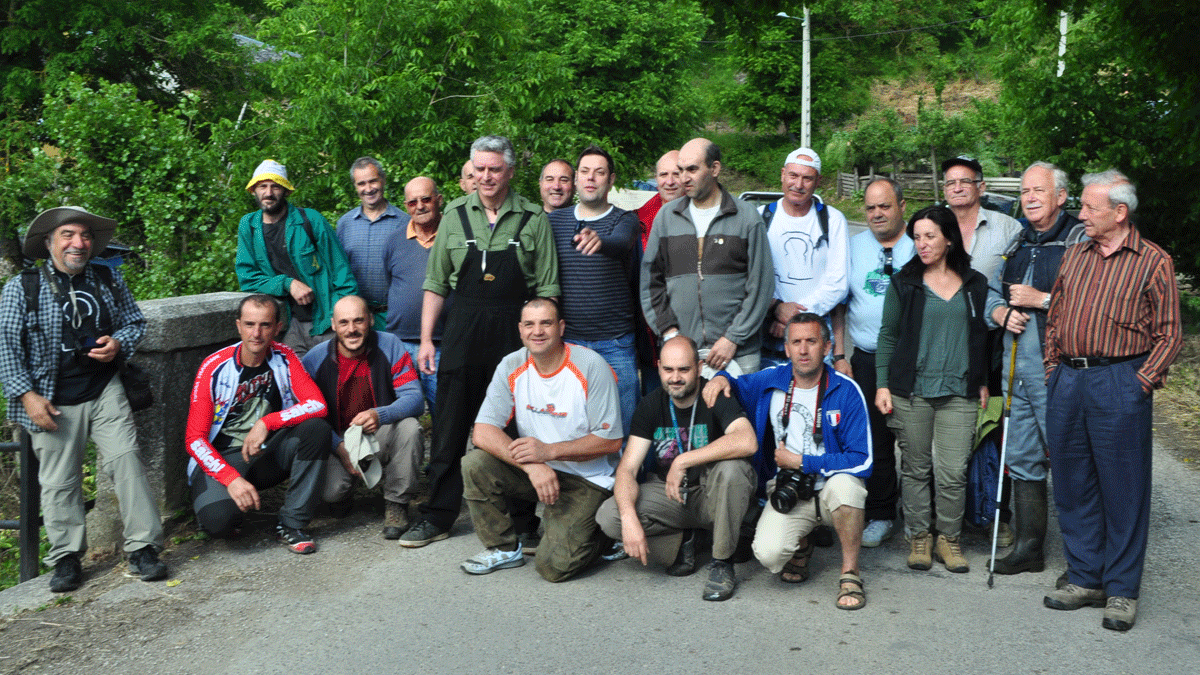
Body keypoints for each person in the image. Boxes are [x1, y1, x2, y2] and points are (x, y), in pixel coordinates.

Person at [402, 135, 559, 549]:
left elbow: (547, 289)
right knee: (451, 426)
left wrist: (543, 345)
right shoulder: (453, 215)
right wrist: (425, 341)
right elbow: (435, 284)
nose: (486, 177)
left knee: (516, 425)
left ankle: (524, 521)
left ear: (509, 171)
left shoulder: (533, 219)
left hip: (515, 333)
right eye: (480, 169)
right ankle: (437, 516)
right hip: (462, 332)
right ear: (471, 172)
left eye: (494, 169)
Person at [0, 207, 167, 592]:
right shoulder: (22, 287)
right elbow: (7, 347)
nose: (79, 243)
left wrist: (118, 343)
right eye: (68, 235)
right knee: (59, 482)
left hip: (104, 388)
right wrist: (27, 397)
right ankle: (66, 558)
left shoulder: (107, 277)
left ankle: (143, 549)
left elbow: (134, 321)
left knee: (128, 464)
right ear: (49, 243)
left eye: (86, 235)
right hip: (51, 397)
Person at [1041, 170, 1181, 631]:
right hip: (1070, 380)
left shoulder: (1153, 262)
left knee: (1123, 489)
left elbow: (1169, 334)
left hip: (1119, 380)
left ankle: (1121, 590)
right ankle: (1085, 578)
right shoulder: (1075, 255)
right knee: (1072, 483)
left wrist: (1140, 382)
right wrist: (1053, 372)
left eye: (1088, 208)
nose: (1079, 214)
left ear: (1119, 213)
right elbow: (1056, 315)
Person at [703, 313, 873, 610]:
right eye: (796, 342)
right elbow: (736, 383)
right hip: (792, 490)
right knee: (768, 554)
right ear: (786, 348)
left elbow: (862, 460)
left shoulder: (846, 389)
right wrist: (719, 377)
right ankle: (803, 545)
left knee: (847, 487)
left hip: (832, 487)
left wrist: (802, 462)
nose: (803, 350)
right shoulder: (772, 379)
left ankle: (850, 573)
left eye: (811, 341)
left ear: (827, 346)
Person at [461, 298, 622, 582]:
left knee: (552, 568)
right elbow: (483, 430)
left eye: (546, 323)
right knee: (475, 463)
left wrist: (548, 452)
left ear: (560, 327)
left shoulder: (590, 366)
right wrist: (532, 466)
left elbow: (610, 442)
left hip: (589, 480)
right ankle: (503, 549)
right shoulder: (512, 365)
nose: (538, 331)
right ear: (521, 330)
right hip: (540, 473)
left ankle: (606, 535)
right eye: (530, 324)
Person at [875, 205, 990, 574]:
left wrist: (984, 380)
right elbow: (888, 336)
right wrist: (882, 385)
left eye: (929, 236)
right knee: (915, 468)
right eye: (917, 237)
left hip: (960, 390)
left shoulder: (975, 284)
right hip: (913, 391)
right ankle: (920, 536)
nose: (921, 244)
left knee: (954, 471)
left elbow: (983, 338)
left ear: (949, 238)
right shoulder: (904, 283)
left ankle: (949, 538)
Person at [984, 162, 1086, 575]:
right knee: (1023, 459)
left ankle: (1084, 561)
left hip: (1056, 373)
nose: (1029, 198)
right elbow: (992, 291)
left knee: (1068, 460)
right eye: (1025, 191)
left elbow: (1092, 303)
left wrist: (1042, 300)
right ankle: (1029, 549)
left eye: (1038, 191)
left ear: (1060, 197)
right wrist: (1001, 312)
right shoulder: (1017, 240)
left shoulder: (1078, 240)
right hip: (1016, 376)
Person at [597, 336, 756, 601]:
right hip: (672, 498)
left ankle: (721, 562)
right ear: (658, 367)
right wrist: (629, 519)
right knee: (610, 515)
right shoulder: (650, 405)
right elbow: (627, 469)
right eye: (668, 370)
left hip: (713, 494)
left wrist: (684, 460)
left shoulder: (713, 394)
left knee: (732, 470)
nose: (675, 378)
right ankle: (686, 540)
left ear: (699, 366)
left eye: (684, 369)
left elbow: (747, 440)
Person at [184, 295, 330, 554]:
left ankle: (292, 523)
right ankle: (229, 502)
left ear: (277, 328)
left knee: (316, 429)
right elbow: (195, 438)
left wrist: (268, 421)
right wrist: (230, 478)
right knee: (219, 524)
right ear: (238, 326)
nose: (256, 333)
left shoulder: (284, 357)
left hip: (265, 452)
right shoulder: (213, 367)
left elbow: (318, 404)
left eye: (265, 325)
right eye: (250, 324)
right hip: (222, 459)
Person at [641, 137, 774, 377]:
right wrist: (670, 334)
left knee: (739, 415)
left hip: (739, 353)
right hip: (683, 355)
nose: (684, 178)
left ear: (714, 168)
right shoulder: (666, 217)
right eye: (681, 170)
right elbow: (651, 283)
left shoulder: (747, 218)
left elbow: (761, 287)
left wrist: (733, 338)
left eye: (692, 169)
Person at [831, 178, 915, 548]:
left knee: (915, 444)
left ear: (902, 206)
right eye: (870, 208)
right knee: (876, 441)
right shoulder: (852, 247)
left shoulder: (920, 244)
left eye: (885, 206)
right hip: (864, 358)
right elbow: (840, 302)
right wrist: (838, 354)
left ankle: (919, 520)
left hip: (911, 362)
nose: (877, 214)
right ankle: (881, 514)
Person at [301, 296, 425, 539]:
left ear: (370, 320)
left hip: (379, 433)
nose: (352, 329)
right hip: (337, 440)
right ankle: (345, 494)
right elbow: (305, 416)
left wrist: (380, 414)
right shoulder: (314, 359)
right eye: (344, 322)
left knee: (410, 428)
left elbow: (414, 398)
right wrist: (337, 445)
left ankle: (396, 504)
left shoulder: (389, 345)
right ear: (333, 325)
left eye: (358, 320)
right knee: (332, 493)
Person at [548, 145, 640, 436]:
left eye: (599, 173)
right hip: (570, 342)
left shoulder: (624, 220)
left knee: (624, 424)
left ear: (610, 180)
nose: (591, 178)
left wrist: (600, 240)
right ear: (576, 179)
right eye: (585, 172)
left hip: (617, 343)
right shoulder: (554, 222)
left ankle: (628, 479)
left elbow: (622, 242)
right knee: (572, 424)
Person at [236, 159, 359, 357]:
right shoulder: (248, 226)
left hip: (326, 322)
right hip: (286, 327)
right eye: (262, 186)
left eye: (275, 186)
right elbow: (247, 277)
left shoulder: (310, 220)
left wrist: (343, 320)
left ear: (286, 190)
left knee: (336, 383)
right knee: (293, 385)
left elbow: (342, 274)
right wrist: (287, 283)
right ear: (253, 190)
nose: (268, 193)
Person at [760, 148, 849, 368]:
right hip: (768, 333)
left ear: (817, 181)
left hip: (816, 336)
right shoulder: (760, 217)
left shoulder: (832, 220)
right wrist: (777, 308)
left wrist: (794, 317)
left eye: (807, 178)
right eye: (793, 175)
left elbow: (838, 283)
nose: (798, 185)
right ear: (782, 174)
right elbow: (751, 277)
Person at [383, 176, 447, 412]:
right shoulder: (393, 241)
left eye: (426, 199)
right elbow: (390, 283)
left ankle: (445, 451)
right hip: (400, 343)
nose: (419, 206)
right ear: (405, 206)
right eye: (412, 202)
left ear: (438, 200)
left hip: (443, 343)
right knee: (400, 412)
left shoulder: (454, 237)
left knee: (444, 412)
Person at [336, 157, 411, 325]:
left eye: (373, 181)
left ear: (383, 180)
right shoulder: (344, 224)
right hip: (354, 319)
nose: (368, 189)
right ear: (355, 186)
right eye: (361, 184)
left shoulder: (405, 223)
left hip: (392, 316)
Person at [941, 155, 1022, 284]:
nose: (957, 189)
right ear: (945, 191)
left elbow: (1021, 277)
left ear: (981, 187)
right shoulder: (932, 228)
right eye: (951, 183)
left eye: (965, 181)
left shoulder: (1008, 227)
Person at [636, 150, 683, 251]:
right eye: (663, 175)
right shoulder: (637, 220)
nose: (670, 182)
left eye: (676, 174)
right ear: (656, 179)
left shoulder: (704, 217)